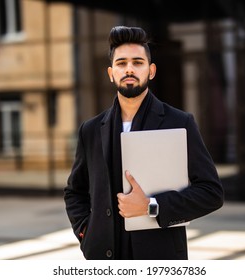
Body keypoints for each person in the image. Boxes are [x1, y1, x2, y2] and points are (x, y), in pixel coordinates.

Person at [64, 26, 224, 260]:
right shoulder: (90, 130)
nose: (129, 69)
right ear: (110, 73)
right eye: (121, 63)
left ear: (151, 71)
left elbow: (211, 193)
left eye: (138, 62)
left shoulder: (179, 122)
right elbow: (74, 192)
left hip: (160, 257)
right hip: (103, 258)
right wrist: (85, 232)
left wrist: (152, 206)